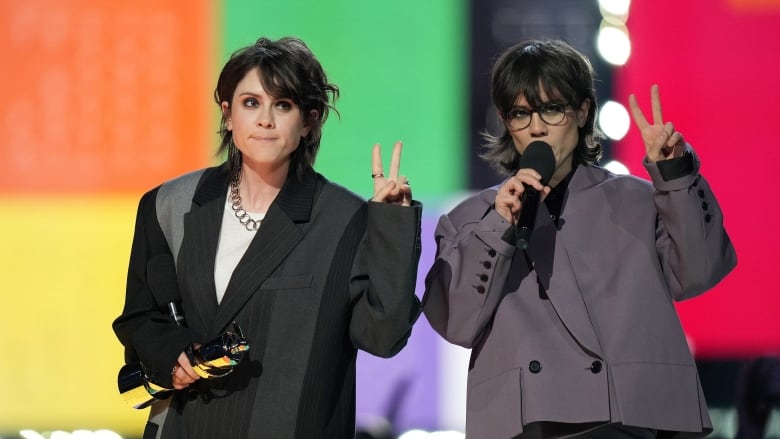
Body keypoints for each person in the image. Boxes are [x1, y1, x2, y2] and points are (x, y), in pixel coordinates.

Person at [421, 39, 736, 438]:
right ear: (505, 121)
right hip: (532, 420)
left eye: (551, 109)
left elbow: (699, 273)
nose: (536, 126)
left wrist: (675, 175)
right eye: (520, 113)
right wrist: (498, 225)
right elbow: (458, 325)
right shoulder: (470, 219)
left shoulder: (639, 200)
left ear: (583, 110)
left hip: (633, 414)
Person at [113, 36, 422, 439]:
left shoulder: (345, 220)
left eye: (283, 105)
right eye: (251, 103)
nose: (265, 120)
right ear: (227, 114)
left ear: (309, 120)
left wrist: (392, 226)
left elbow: (383, 336)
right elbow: (140, 317)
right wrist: (175, 354)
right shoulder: (170, 204)